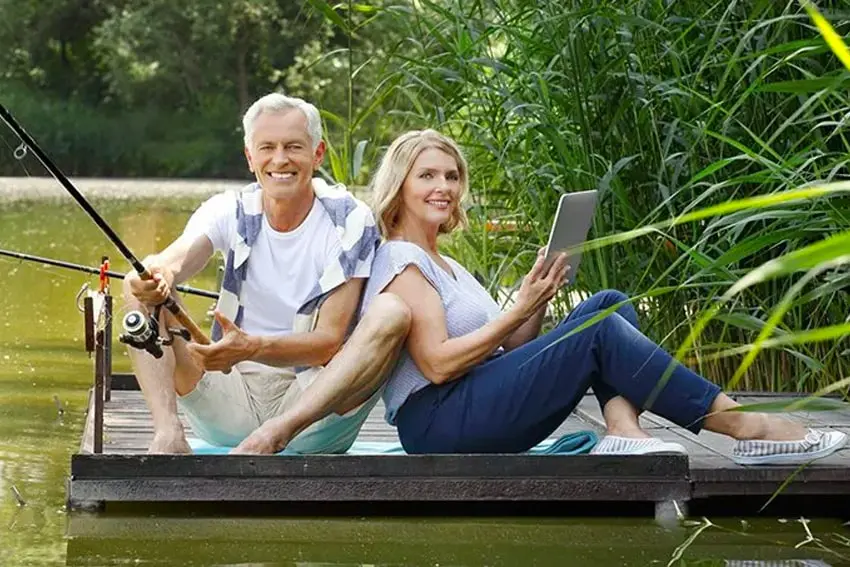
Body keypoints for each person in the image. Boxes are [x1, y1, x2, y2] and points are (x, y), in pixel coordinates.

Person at [359, 129, 847, 464]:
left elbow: (511, 349)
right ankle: (748, 428)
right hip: (440, 424)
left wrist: (540, 296)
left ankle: (622, 431)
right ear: (399, 185)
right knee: (599, 328)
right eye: (428, 176)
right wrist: (519, 311)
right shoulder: (401, 259)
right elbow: (439, 366)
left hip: (473, 404)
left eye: (451, 176)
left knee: (607, 303)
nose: (444, 187)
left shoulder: (449, 264)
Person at [123, 93, 411, 455]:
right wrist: (160, 272)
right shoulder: (228, 209)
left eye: (293, 147)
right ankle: (168, 435)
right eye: (267, 148)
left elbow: (327, 342)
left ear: (317, 154)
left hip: (312, 410)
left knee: (392, 312)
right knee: (139, 283)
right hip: (229, 399)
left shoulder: (350, 219)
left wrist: (251, 347)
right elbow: (177, 259)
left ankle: (275, 434)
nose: (280, 160)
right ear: (250, 157)